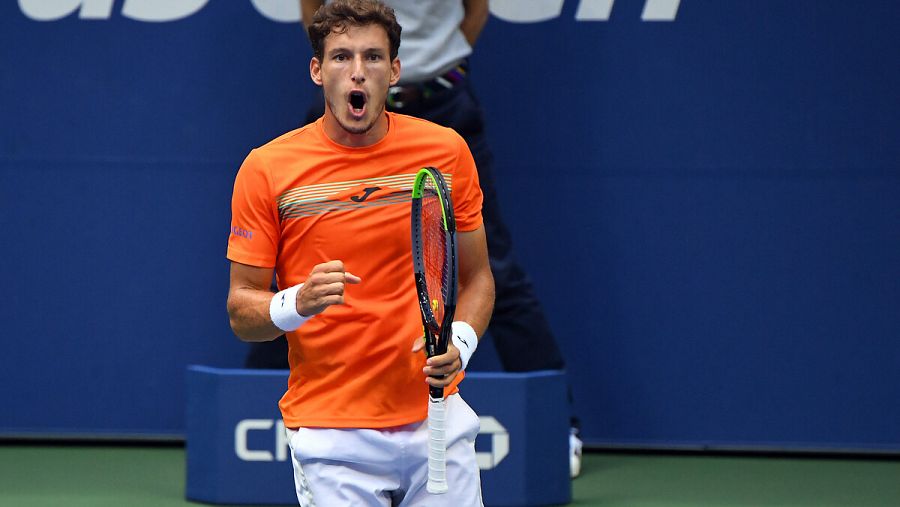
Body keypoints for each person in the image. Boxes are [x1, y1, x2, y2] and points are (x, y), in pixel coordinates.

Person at [291, 0, 585, 478]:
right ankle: (260, 413)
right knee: (301, 274)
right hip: (347, 114)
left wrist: (435, 61)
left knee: (493, 271)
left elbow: (477, 9)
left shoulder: (446, 140)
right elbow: (312, 9)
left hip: (442, 103)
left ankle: (557, 429)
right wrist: (348, 74)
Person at [226, 1, 494, 505]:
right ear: (317, 70)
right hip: (332, 436)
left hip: (436, 421)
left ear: (394, 70)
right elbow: (242, 312)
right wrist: (296, 302)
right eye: (341, 57)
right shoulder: (267, 170)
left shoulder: (446, 152)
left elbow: (477, 277)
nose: (357, 72)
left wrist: (459, 343)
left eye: (373, 58)